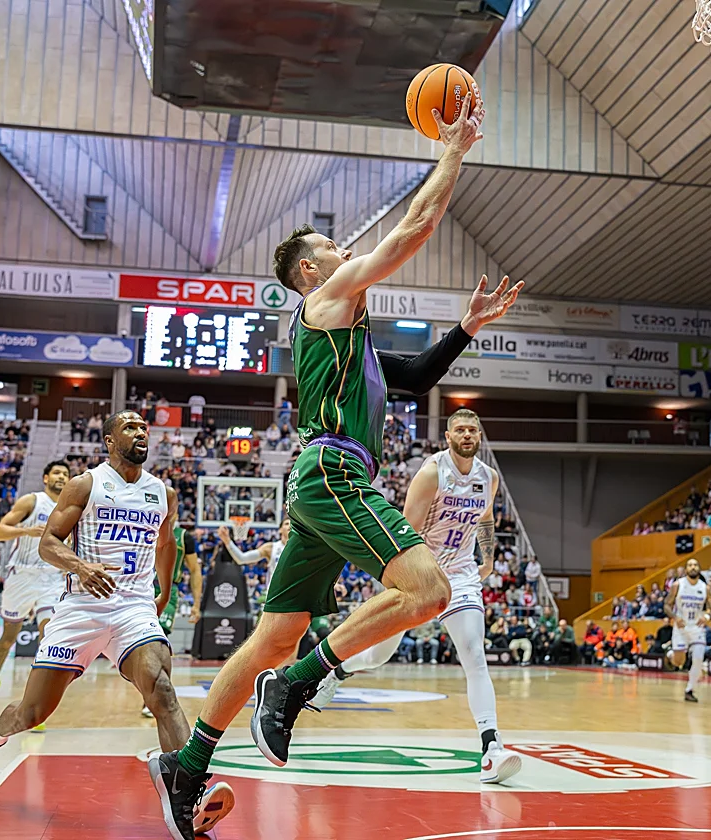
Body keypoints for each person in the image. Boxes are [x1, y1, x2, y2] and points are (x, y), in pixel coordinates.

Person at [150, 91, 528, 840]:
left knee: (274, 634)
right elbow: (415, 229)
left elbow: (415, 377)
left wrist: (463, 329)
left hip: (320, 484)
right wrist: (453, 149)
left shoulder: (348, 342)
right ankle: (292, 689)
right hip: (335, 474)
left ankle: (187, 764)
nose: (340, 248)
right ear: (308, 270)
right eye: (327, 245)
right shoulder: (325, 302)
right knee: (427, 587)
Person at [0, 411, 233, 836]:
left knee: (161, 687)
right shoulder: (85, 484)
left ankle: (185, 790)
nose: (141, 433)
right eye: (130, 428)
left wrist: (165, 591)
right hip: (81, 608)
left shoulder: (162, 492)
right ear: (108, 440)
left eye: (144, 428)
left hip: (132, 607)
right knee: (33, 711)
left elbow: (167, 542)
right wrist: (81, 567)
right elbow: (48, 543)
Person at [310, 409, 522, 782]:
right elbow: (405, 530)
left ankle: (491, 746)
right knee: (378, 655)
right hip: (421, 572)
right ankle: (338, 671)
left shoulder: (488, 477)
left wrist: (486, 557)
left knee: (474, 652)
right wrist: (410, 578)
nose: (468, 434)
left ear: (479, 435)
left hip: (460, 574)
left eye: (473, 429)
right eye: (461, 429)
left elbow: (485, 518)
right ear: (448, 435)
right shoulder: (431, 473)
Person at [0, 461, 71, 718]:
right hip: (21, 576)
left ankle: (36, 705)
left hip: (51, 579)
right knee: (8, 639)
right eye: (57, 473)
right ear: (45, 477)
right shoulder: (32, 501)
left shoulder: (71, 508)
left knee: (48, 637)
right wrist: (27, 530)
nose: (62, 477)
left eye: (66, 474)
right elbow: (0, 532)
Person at [142, 524, 204, 718]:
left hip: (167, 590)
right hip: (139, 587)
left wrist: (196, 603)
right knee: (141, 644)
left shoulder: (184, 537)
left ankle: (157, 696)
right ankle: (149, 691)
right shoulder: (144, 525)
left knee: (158, 641)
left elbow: (194, 570)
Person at [664, 557, 711, 702]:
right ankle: (670, 655)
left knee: (698, 659)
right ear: (686, 569)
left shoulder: (705, 588)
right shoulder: (677, 585)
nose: (693, 567)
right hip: (681, 627)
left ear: (699, 568)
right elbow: (667, 605)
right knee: (679, 662)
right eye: (690, 565)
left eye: (695, 565)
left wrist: (706, 616)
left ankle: (689, 690)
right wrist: (675, 617)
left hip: (697, 628)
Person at [217, 519, 291, 588]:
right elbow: (241, 559)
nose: (290, 526)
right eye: (286, 524)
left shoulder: (301, 547)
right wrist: (227, 541)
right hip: (276, 596)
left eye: (292, 524)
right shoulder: (271, 548)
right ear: (280, 530)